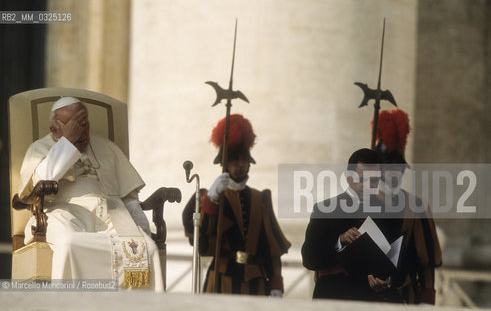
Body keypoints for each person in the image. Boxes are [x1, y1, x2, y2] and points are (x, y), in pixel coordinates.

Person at [18, 97, 164, 291]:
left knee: (147, 250)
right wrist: (69, 143)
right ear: (54, 129)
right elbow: (44, 178)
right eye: (73, 125)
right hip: (62, 211)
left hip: (113, 212)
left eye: (83, 123)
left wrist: (141, 230)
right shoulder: (39, 148)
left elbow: (128, 197)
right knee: (69, 243)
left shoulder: (107, 148)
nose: (80, 130)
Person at [182, 114, 291, 296]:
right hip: (221, 281)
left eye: (244, 159)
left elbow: (272, 250)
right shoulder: (206, 197)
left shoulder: (261, 199)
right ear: (224, 163)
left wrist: (276, 285)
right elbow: (202, 240)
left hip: (256, 284)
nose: (240, 164)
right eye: (233, 160)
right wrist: (212, 200)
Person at [302, 148, 405, 302]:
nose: (367, 185)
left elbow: (402, 266)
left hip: (374, 299)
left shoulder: (390, 214)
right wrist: (340, 241)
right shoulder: (325, 210)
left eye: (374, 180)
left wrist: (387, 281)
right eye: (362, 179)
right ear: (348, 178)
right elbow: (309, 258)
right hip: (333, 296)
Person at [375, 109, 442, 304]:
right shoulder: (359, 202)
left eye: (399, 167)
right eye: (389, 166)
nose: (395, 172)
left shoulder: (417, 206)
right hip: (365, 294)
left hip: (404, 295)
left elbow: (427, 261)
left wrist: (427, 299)